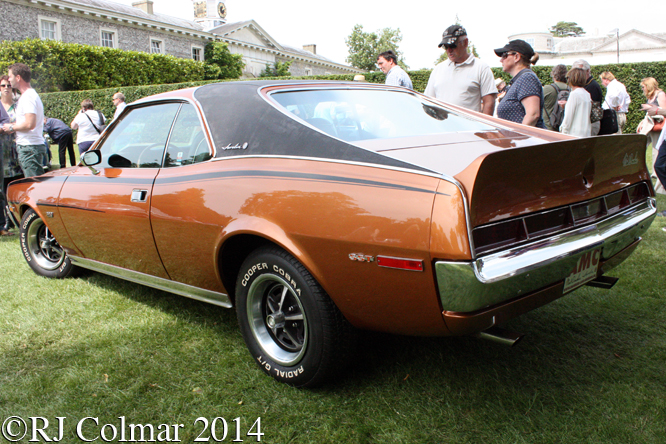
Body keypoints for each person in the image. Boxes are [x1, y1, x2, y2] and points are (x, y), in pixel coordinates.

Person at [424, 25, 497, 115]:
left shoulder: (481, 68)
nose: (449, 50)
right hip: (442, 127)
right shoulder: (438, 70)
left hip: (470, 128)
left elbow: (489, 103)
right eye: (446, 46)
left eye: (452, 45)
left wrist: (485, 128)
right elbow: (428, 101)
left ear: (465, 42)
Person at [1, 63, 45, 178]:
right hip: (31, 148)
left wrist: (11, 127)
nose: (9, 80)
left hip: (29, 148)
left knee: (33, 185)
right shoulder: (30, 95)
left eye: (10, 77)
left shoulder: (27, 97)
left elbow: (30, 124)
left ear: (18, 77)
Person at [494, 40, 546, 128]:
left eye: (504, 55)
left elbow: (533, 115)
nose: (501, 60)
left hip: (525, 140)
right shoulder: (521, 79)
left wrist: (519, 138)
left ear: (516, 57)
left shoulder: (527, 78)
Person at [572, 59, 603, 136]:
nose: (578, 74)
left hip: (590, 123)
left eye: (581, 71)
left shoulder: (592, 86)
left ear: (588, 71)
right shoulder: (586, 86)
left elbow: (587, 108)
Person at [559, 68, 592, 137]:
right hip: (586, 133)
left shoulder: (574, 94)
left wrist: (563, 133)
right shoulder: (587, 94)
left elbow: (568, 118)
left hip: (573, 135)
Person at [542, 64, 569, 131]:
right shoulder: (570, 89)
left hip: (549, 128)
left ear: (554, 75)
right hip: (565, 128)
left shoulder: (547, 89)